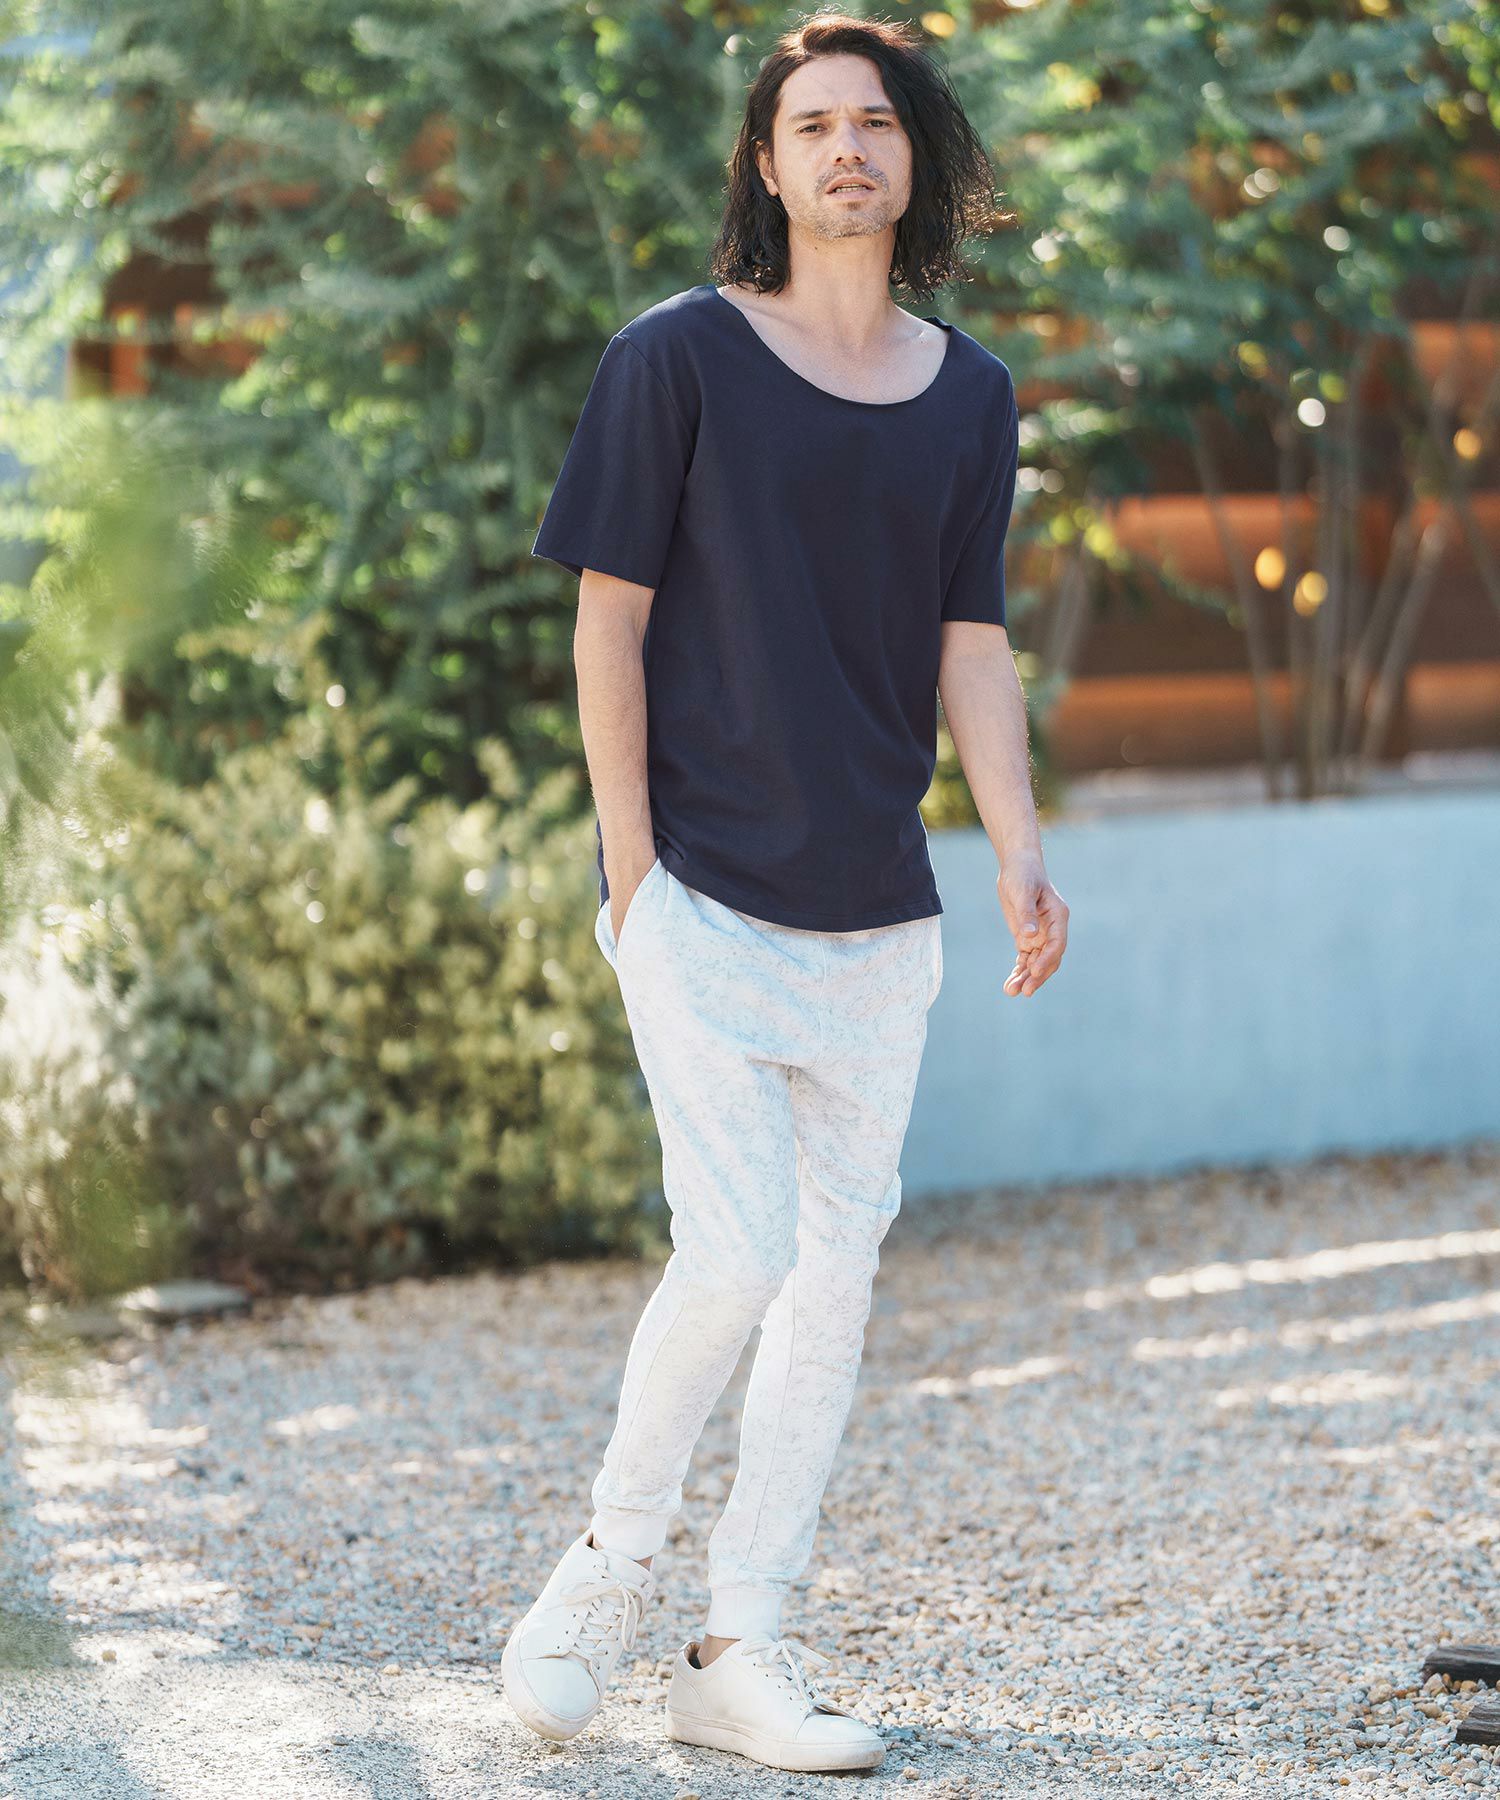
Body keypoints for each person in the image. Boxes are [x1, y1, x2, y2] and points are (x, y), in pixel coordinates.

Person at [501, 9, 1068, 1775]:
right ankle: (609, 1567)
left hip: (880, 915)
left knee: (832, 1286)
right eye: (811, 124)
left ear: (917, 157)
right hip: (700, 892)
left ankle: (742, 1645)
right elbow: (608, 621)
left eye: (874, 123)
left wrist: (1017, 844)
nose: (845, 149)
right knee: (740, 1246)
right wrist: (631, 876)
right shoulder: (675, 356)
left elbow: (972, 641)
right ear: (767, 162)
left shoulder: (970, 393)